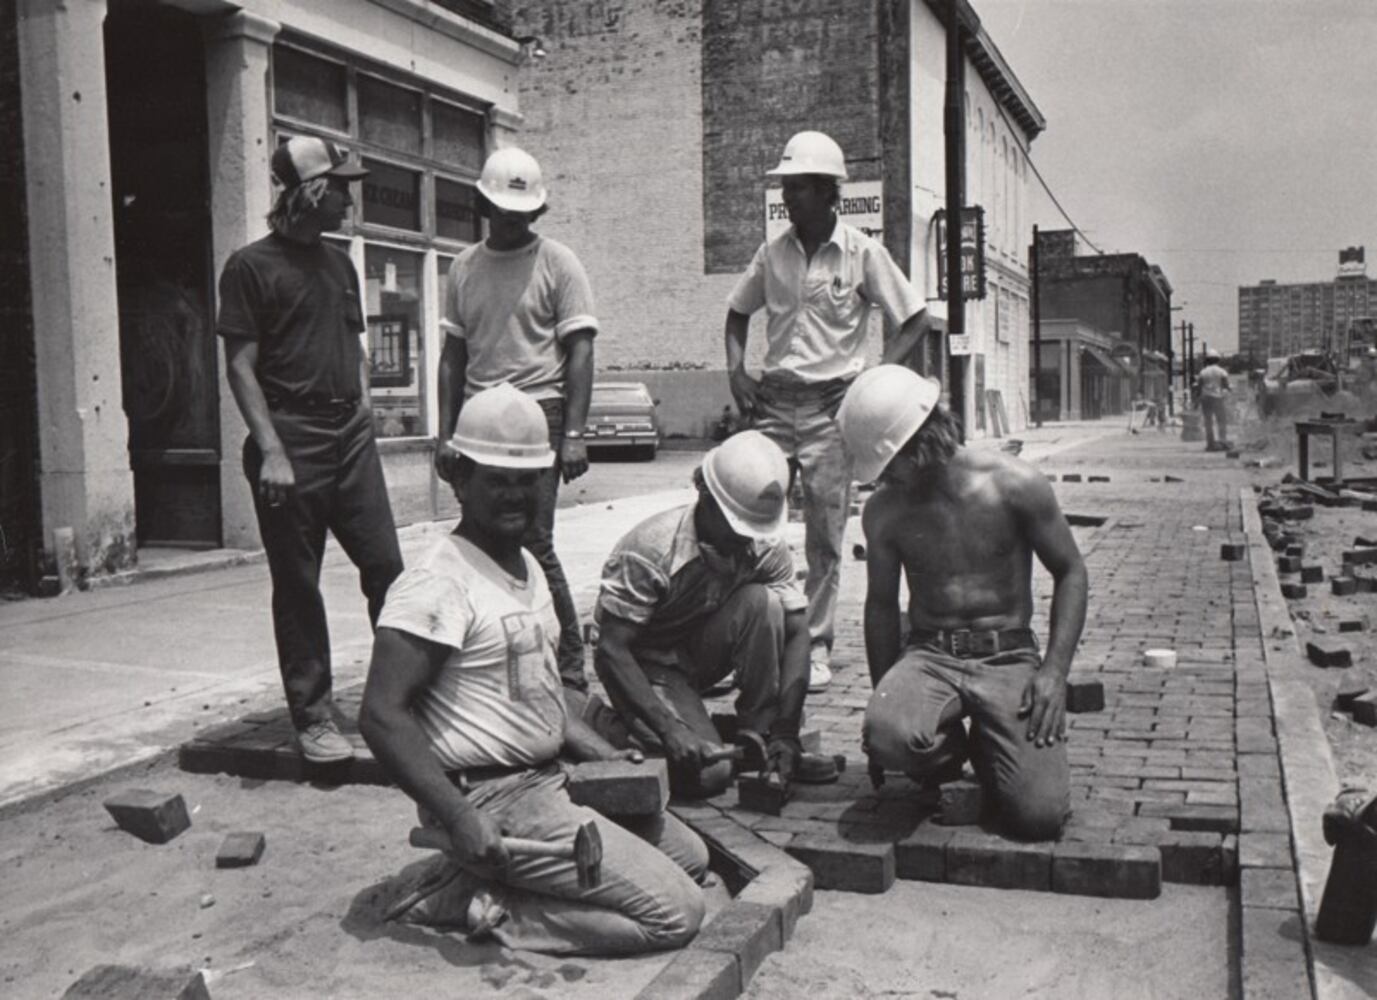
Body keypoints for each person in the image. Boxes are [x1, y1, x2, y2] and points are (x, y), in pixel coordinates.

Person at [360, 384, 707, 955]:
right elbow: (380, 715)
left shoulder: (526, 567)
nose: (517, 495)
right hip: (492, 795)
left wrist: (603, 756)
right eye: (498, 479)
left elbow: (538, 697)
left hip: (549, 779)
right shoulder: (437, 583)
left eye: (529, 479)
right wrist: (459, 815)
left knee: (689, 860)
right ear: (458, 475)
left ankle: (486, 878)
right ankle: (473, 903)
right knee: (675, 913)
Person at [839, 365, 1087, 841]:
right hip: (930, 655)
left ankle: (996, 745)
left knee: (1038, 817)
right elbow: (882, 606)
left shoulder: (1014, 484)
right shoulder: (886, 511)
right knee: (890, 736)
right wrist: (883, 695)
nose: (885, 478)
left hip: (1007, 655)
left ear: (921, 442)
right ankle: (949, 751)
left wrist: (1054, 673)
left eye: (891, 464)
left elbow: (1071, 571)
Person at [217, 136, 403, 763]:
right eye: (344, 185)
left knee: (388, 572)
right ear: (314, 191)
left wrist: (366, 415)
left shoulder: (341, 264)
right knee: (299, 585)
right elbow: (240, 368)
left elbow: (352, 350)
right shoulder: (249, 267)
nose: (352, 197)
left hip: (349, 434)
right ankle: (314, 714)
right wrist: (271, 449)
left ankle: (405, 698)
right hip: (290, 438)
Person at [724, 130, 932, 693]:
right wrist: (736, 372)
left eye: (796, 188)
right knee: (751, 524)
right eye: (785, 187)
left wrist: (875, 378)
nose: (786, 198)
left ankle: (813, 646)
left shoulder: (863, 253)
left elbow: (913, 318)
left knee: (824, 535)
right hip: (773, 404)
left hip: (830, 410)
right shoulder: (772, 254)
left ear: (827, 192)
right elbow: (737, 313)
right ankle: (751, 637)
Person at [590, 431, 832, 799]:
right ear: (704, 494)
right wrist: (670, 729)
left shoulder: (764, 544)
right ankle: (604, 723)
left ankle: (764, 738)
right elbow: (611, 650)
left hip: (697, 654)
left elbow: (798, 632)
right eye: (736, 525)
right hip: (645, 667)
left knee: (764, 603)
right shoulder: (649, 551)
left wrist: (787, 731)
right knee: (710, 776)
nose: (742, 539)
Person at [435, 147, 596, 694]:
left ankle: (569, 665)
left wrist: (573, 434)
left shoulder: (557, 262)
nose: (513, 219)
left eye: (523, 211)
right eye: (503, 209)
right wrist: (445, 436)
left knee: (533, 539)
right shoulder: (463, 266)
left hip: (540, 413)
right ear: (483, 203)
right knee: (482, 539)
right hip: (479, 420)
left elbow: (580, 350)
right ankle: (496, 656)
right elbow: (452, 358)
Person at [1196, 349, 1232, 451]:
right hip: (1217, 398)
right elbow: (1226, 385)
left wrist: (1197, 399)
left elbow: (1199, 387)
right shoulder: (1222, 371)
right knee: (1221, 420)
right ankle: (1222, 442)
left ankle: (1210, 444)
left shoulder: (1203, 372)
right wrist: (1229, 389)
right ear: (1217, 360)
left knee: (1208, 422)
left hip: (1206, 398)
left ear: (1207, 360)